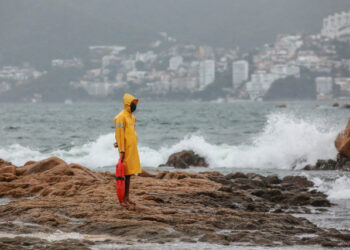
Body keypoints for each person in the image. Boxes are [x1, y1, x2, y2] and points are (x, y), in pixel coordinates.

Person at [114, 93, 141, 208]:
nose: (135, 105)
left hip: (132, 149)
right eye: (133, 103)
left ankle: (127, 197)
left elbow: (130, 133)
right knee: (124, 174)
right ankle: (123, 200)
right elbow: (119, 134)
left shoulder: (132, 117)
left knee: (129, 174)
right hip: (125, 150)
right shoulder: (121, 117)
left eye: (135, 103)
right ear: (128, 104)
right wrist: (121, 149)